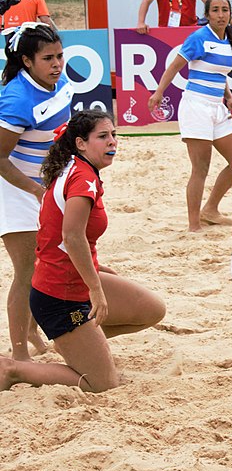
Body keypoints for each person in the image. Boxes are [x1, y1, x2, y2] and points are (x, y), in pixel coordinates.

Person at [0, 111, 165, 392]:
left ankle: (80, 343)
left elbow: (54, 237)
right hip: (61, 298)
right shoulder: (81, 180)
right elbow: (72, 237)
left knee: (152, 309)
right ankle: (13, 369)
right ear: (80, 143)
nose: (112, 142)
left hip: (70, 281)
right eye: (103, 137)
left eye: (114, 135)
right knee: (101, 383)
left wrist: (95, 268)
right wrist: (96, 288)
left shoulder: (75, 169)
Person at [0, 23, 70, 360]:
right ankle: (18, 356)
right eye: (48, 58)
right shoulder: (16, 98)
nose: (57, 63)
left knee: (47, 266)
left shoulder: (60, 82)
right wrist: (34, 190)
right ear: (27, 61)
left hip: (46, 184)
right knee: (27, 272)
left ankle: (31, 331)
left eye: (59, 55)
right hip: (14, 188)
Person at [148, 0, 232, 232]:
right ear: (207, 14)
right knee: (200, 168)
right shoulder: (199, 38)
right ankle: (194, 225)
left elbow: (219, 74)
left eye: (225, 9)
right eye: (216, 10)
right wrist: (158, 93)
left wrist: (229, 97)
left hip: (217, 107)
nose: (221, 14)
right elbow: (174, 66)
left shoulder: (227, 41)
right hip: (196, 106)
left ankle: (210, 210)